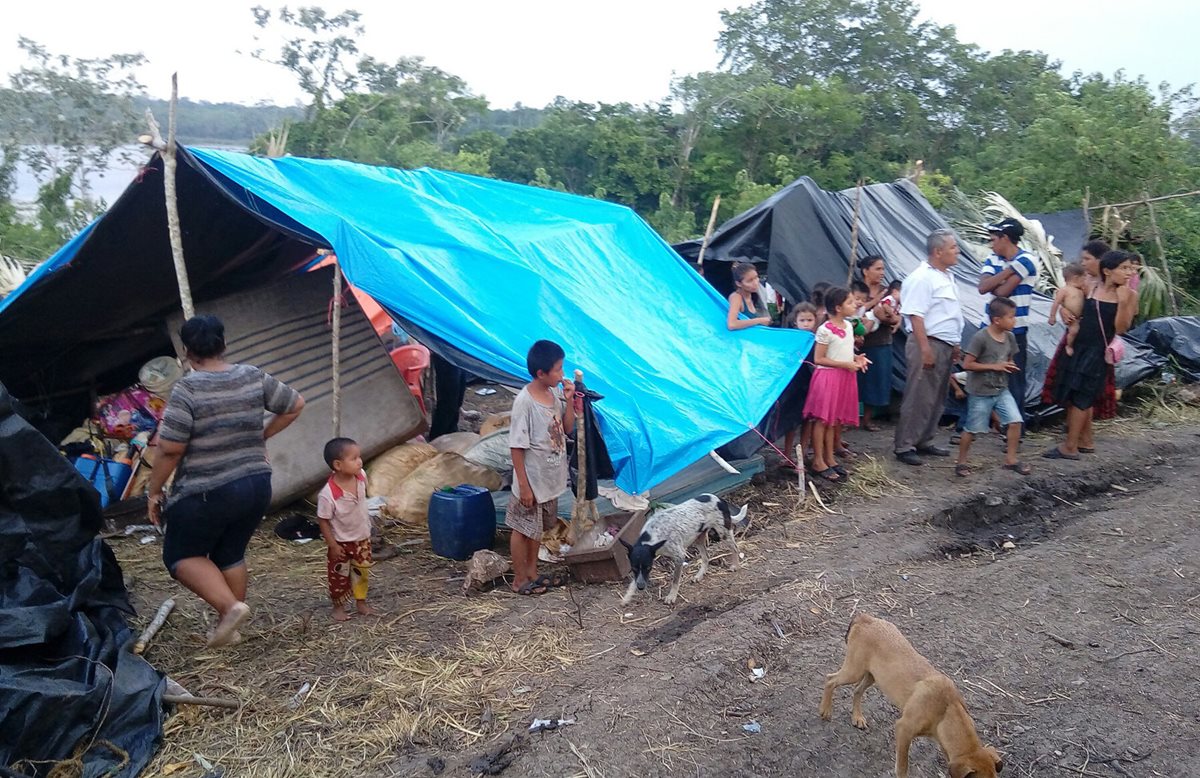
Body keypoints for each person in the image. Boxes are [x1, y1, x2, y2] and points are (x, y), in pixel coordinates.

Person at [148, 315, 304, 647]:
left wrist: (154, 489)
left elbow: (171, 448)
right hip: (256, 484)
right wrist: (260, 437)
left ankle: (230, 608)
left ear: (187, 351)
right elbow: (295, 404)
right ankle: (229, 628)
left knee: (181, 556)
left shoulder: (188, 388)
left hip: (209, 490)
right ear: (224, 344)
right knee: (230, 552)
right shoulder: (251, 375)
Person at [1044, 251, 1138, 460]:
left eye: (1130, 268)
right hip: (1078, 346)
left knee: (1082, 396)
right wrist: (1063, 312)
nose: (1129, 273)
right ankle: (1084, 442)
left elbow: (1121, 329)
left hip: (1097, 352)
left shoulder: (1129, 295)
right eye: (1123, 268)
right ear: (1107, 271)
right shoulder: (1091, 285)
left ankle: (1070, 447)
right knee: (1072, 392)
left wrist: (1122, 303)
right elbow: (1074, 304)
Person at [507, 340, 576, 595]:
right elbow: (516, 446)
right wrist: (524, 486)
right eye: (558, 370)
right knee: (521, 530)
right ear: (541, 373)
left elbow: (567, 429)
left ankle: (533, 572)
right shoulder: (525, 402)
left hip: (548, 479)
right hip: (531, 481)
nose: (562, 375)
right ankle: (519, 579)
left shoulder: (554, 395)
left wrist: (569, 402)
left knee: (536, 531)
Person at [894, 229, 965, 466]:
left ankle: (924, 439)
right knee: (919, 395)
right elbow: (916, 316)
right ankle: (905, 445)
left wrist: (955, 343)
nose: (958, 252)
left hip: (944, 343)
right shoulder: (921, 278)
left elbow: (949, 315)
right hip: (929, 342)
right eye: (953, 247)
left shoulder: (946, 277)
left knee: (936, 396)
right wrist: (925, 349)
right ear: (938, 251)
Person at [1042, 240, 1117, 432]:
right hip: (1076, 339)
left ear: (1101, 261)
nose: (1083, 263)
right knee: (1074, 389)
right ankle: (1079, 434)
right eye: (1082, 259)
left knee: (1085, 392)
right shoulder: (1085, 281)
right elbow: (1065, 298)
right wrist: (1062, 312)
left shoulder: (1111, 287)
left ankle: (1081, 438)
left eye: (1087, 259)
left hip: (1093, 345)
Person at [954, 297, 1030, 477]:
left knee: (1015, 421)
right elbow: (967, 364)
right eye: (1011, 317)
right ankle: (961, 462)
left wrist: (1009, 364)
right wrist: (996, 366)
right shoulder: (981, 338)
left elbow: (1010, 357)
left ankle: (1011, 459)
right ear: (997, 320)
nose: (1014, 321)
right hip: (981, 392)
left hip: (1001, 389)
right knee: (972, 429)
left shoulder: (1010, 337)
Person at [803, 287, 870, 482]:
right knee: (822, 420)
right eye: (850, 302)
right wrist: (846, 364)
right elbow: (819, 358)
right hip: (828, 378)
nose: (855, 305)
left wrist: (857, 358)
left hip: (844, 376)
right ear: (838, 307)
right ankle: (817, 460)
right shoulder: (825, 330)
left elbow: (845, 351)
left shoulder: (848, 326)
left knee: (834, 420)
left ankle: (830, 458)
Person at [977, 218, 1037, 428]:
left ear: (1005, 238)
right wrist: (1011, 271)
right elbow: (983, 287)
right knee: (979, 375)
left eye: (994, 239)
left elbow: (1000, 291)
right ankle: (973, 425)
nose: (991, 244)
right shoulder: (999, 259)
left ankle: (1014, 428)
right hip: (988, 329)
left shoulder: (1028, 259)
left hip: (1015, 331)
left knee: (1014, 380)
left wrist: (997, 280)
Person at [317, 437, 375, 622]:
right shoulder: (328, 494)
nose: (360, 461)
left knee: (362, 572)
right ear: (338, 465)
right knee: (338, 577)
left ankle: (361, 602)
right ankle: (338, 607)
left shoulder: (361, 477)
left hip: (362, 539)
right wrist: (332, 545)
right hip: (341, 542)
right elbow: (323, 520)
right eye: (354, 458)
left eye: (359, 456)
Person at [856, 256, 900, 431]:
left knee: (876, 381)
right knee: (854, 381)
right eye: (878, 269)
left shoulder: (888, 291)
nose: (882, 273)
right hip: (856, 344)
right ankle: (846, 419)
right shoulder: (856, 289)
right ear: (866, 270)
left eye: (883, 269)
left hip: (881, 342)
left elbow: (896, 313)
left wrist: (895, 319)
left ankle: (867, 419)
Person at [782, 302, 818, 468]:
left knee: (808, 420)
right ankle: (787, 454)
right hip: (794, 385)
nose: (806, 323)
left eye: (809, 320)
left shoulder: (817, 340)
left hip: (812, 385)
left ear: (815, 321)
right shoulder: (791, 339)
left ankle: (802, 454)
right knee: (791, 421)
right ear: (795, 322)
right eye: (802, 320)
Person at [726, 262, 772, 330]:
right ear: (738, 284)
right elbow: (732, 324)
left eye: (756, 277)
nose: (755, 283)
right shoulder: (736, 297)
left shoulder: (753, 295)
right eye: (749, 281)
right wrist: (759, 320)